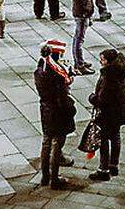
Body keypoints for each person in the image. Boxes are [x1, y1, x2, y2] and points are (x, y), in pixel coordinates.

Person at [36, 39, 77, 190]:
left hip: (45, 110)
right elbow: (62, 98)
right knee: (57, 145)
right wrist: (71, 109)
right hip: (57, 112)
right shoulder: (58, 75)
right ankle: (55, 179)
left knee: (46, 142)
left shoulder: (40, 69)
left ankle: (45, 177)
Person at [87, 48, 125, 181]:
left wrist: (92, 98)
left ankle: (103, 169)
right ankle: (114, 165)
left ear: (109, 62)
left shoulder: (109, 76)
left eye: (103, 59)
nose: (100, 61)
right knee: (115, 137)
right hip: (119, 111)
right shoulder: (121, 71)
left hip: (107, 114)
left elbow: (102, 99)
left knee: (104, 140)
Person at [67, 0, 99, 74]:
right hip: (81, 12)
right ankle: (79, 64)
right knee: (79, 39)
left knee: (80, 38)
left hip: (86, 10)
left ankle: (80, 61)